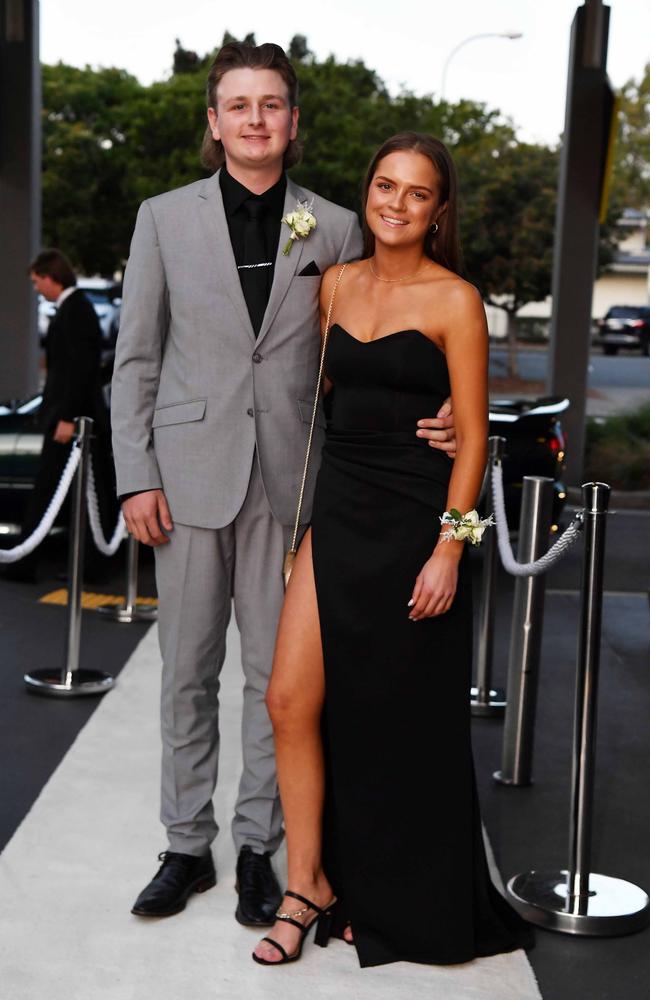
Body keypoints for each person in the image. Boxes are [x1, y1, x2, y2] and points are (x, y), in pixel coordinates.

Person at [111, 44, 456, 927]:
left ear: (293, 123)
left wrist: (446, 405)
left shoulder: (337, 227)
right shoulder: (163, 219)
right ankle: (186, 844)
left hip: (296, 487)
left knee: (277, 681)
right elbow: (137, 358)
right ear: (214, 122)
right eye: (239, 105)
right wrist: (134, 477)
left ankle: (259, 846)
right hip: (183, 484)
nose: (256, 119)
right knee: (186, 672)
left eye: (272, 105)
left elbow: (383, 337)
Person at [254, 132, 533, 967]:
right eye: (385, 185)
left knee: (400, 721)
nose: (397, 203)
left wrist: (453, 551)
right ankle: (308, 883)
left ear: (438, 210)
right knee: (288, 699)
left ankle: (404, 894)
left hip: (420, 524)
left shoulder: (457, 301)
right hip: (337, 513)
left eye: (417, 193)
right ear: (367, 192)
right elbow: (331, 408)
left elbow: (476, 441)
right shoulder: (333, 284)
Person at [2, 249, 114, 583]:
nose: (36, 288)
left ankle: (27, 563)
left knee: (58, 492)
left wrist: (67, 417)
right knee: (83, 496)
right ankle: (83, 567)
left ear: (51, 277)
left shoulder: (76, 310)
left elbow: (79, 370)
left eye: (37, 281)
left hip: (74, 423)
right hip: (76, 420)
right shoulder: (73, 308)